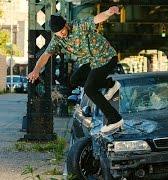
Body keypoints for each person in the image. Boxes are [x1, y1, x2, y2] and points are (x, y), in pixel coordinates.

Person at [27, 6, 123, 134]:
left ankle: (114, 119)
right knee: (75, 79)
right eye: (58, 33)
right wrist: (36, 70)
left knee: (90, 88)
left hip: (106, 57)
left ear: (66, 25)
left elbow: (96, 19)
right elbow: (46, 55)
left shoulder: (79, 26)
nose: (61, 34)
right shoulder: (57, 39)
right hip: (91, 61)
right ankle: (111, 84)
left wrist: (108, 12)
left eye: (62, 31)